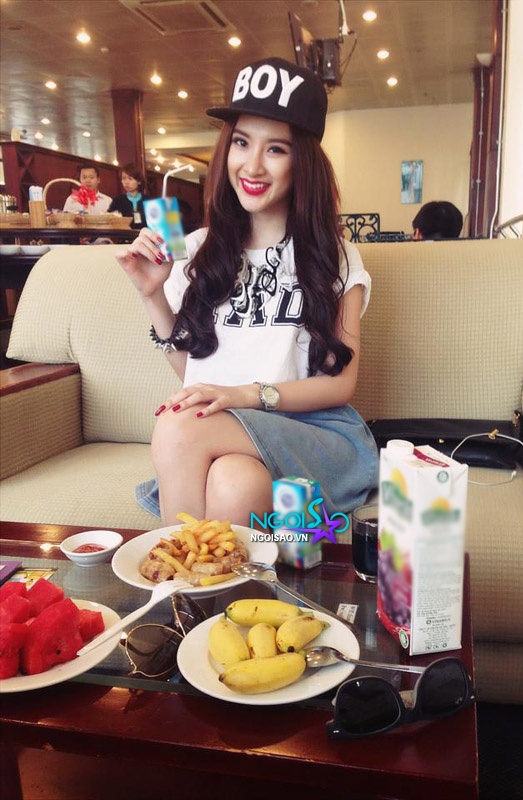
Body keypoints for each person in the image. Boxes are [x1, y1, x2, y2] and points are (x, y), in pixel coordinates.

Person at [116, 56, 379, 528]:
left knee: (178, 424)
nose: (252, 165)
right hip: (225, 438)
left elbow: (341, 384)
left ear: (303, 161)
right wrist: (152, 296)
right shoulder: (196, 249)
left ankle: (171, 570)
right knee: (233, 482)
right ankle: (222, 578)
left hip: (308, 434)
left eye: (275, 148)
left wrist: (244, 395)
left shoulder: (334, 256)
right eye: (241, 142)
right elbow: (194, 370)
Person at [108, 163, 149, 228]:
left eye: (130, 179)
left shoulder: (148, 201)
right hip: (124, 234)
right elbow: (110, 220)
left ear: (139, 181)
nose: (126, 182)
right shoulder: (117, 200)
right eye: (124, 178)